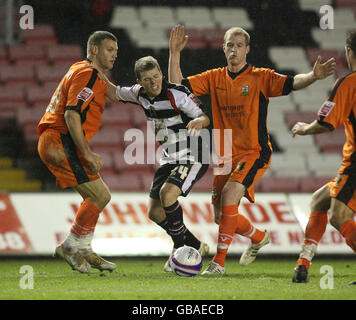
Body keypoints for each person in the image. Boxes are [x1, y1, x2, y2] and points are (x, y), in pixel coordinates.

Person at [169, 25, 336, 275]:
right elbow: (177, 87)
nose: (234, 50)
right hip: (225, 154)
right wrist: (174, 53)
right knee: (220, 216)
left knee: (229, 196)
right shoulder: (214, 77)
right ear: (223, 49)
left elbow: (292, 83)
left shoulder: (261, 77)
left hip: (254, 152)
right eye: (229, 45)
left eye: (238, 45)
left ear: (247, 49)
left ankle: (219, 263)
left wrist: (313, 76)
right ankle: (258, 237)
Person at [102, 55, 210, 272]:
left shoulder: (176, 94)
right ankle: (196, 245)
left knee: (167, 194)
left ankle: (180, 251)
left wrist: (200, 120)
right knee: (155, 212)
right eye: (147, 79)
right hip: (169, 156)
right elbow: (113, 92)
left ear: (161, 73)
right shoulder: (139, 94)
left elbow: (206, 116)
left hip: (194, 153)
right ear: (139, 81)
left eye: (156, 76)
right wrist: (94, 70)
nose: (153, 82)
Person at [37, 31, 118, 273]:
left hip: (55, 141)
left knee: (94, 197)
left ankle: (84, 248)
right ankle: (72, 246)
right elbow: (71, 114)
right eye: (109, 49)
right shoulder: (87, 73)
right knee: (100, 195)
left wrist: (147, 93)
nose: (115, 55)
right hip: (59, 141)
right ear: (94, 50)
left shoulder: (84, 70)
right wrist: (88, 153)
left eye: (116, 50)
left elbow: (113, 91)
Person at [291, 30, 356, 283]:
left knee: (338, 216)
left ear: (349, 52)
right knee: (320, 200)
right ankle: (302, 265)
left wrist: (304, 127)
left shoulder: (349, 83)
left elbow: (326, 124)